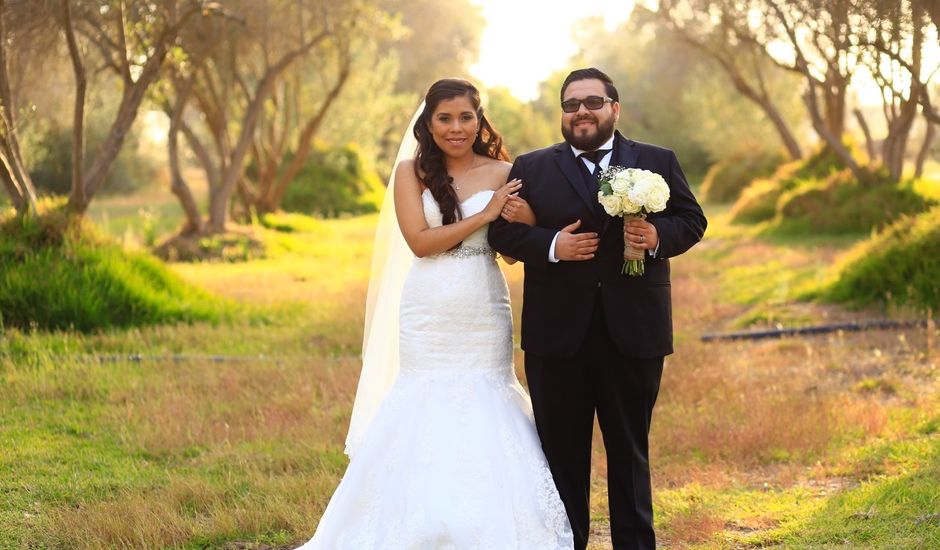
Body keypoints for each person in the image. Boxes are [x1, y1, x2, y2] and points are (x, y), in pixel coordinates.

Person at [297, 78, 574, 549]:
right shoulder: (411, 172)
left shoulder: (506, 171)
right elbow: (421, 243)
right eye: (444, 118)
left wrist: (521, 218)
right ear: (428, 122)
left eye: (466, 117)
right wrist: (484, 217)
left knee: (487, 394)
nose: (456, 127)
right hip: (428, 306)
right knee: (424, 395)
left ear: (479, 119)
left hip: (483, 304)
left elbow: (511, 251)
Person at [488, 67, 707, 550]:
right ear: (563, 114)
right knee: (561, 457)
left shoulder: (656, 160)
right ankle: (568, 544)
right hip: (557, 336)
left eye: (592, 101)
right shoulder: (532, 166)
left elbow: (692, 220)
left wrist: (656, 237)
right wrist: (550, 246)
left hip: (635, 331)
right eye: (571, 105)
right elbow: (501, 232)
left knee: (630, 453)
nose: (581, 111)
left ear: (614, 107)